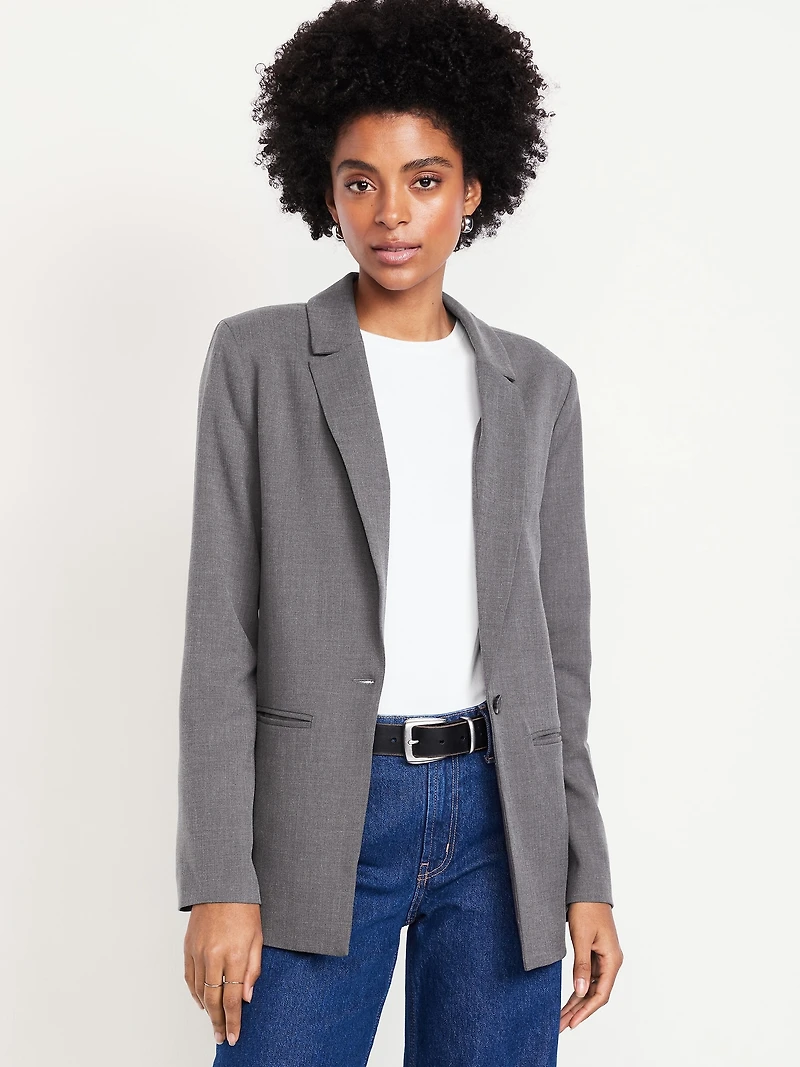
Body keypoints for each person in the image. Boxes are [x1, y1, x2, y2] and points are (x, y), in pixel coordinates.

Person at [176, 0, 623, 1063]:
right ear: (324, 189)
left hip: (499, 821)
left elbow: (559, 656)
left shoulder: (538, 386)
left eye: (424, 180)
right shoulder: (257, 361)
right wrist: (220, 878)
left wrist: (585, 870)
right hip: (320, 811)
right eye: (359, 181)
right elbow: (218, 638)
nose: (391, 214)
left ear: (472, 190)